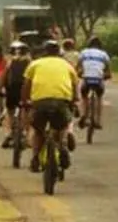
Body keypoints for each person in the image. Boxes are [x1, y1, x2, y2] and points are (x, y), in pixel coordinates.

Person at [23, 39, 79, 175]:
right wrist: (74, 100)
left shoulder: (34, 64)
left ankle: (35, 157)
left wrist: (25, 100)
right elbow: (75, 84)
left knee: (38, 130)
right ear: (59, 52)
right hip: (61, 101)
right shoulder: (67, 65)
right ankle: (63, 146)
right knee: (63, 126)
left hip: (40, 102)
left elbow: (26, 85)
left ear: (44, 52)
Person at [0, 41, 32, 147]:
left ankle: (8, 134)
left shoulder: (11, 62)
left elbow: (3, 76)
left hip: (12, 89)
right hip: (26, 90)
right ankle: (26, 134)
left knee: (9, 111)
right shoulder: (31, 63)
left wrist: (1, 88)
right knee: (27, 110)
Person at [77, 34, 112, 134]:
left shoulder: (84, 52)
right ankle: (98, 120)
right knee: (99, 97)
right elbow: (108, 70)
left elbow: (78, 67)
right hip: (98, 80)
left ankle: (84, 114)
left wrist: (80, 73)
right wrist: (106, 75)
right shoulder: (104, 54)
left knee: (84, 96)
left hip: (87, 79)